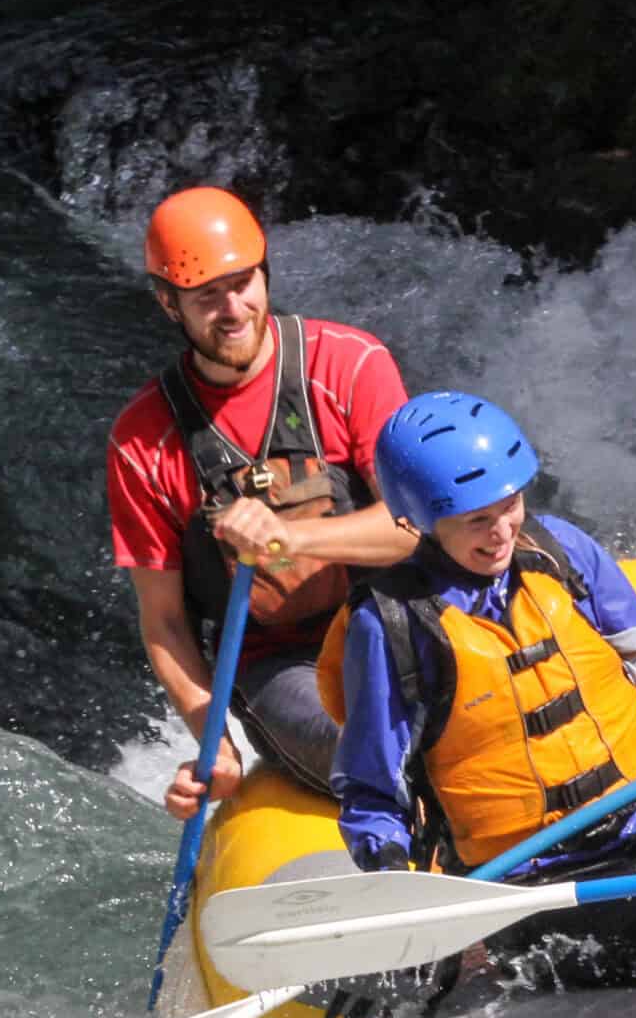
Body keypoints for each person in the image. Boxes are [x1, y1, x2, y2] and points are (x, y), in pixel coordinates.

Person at [320, 391, 636, 989]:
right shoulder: (393, 626)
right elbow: (375, 791)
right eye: (476, 519)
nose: (502, 529)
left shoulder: (559, 550)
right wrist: (392, 875)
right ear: (420, 519)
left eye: (510, 505)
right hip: (533, 888)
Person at [105, 186, 415, 817]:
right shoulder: (142, 440)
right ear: (170, 305)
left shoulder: (350, 364)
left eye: (243, 282)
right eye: (206, 296)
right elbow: (163, 621)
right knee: (370, 751)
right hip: (279, 660)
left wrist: (290, 537)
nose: (233, 308)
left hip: (391, 615)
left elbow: (413, 529)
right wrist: (212, 740)